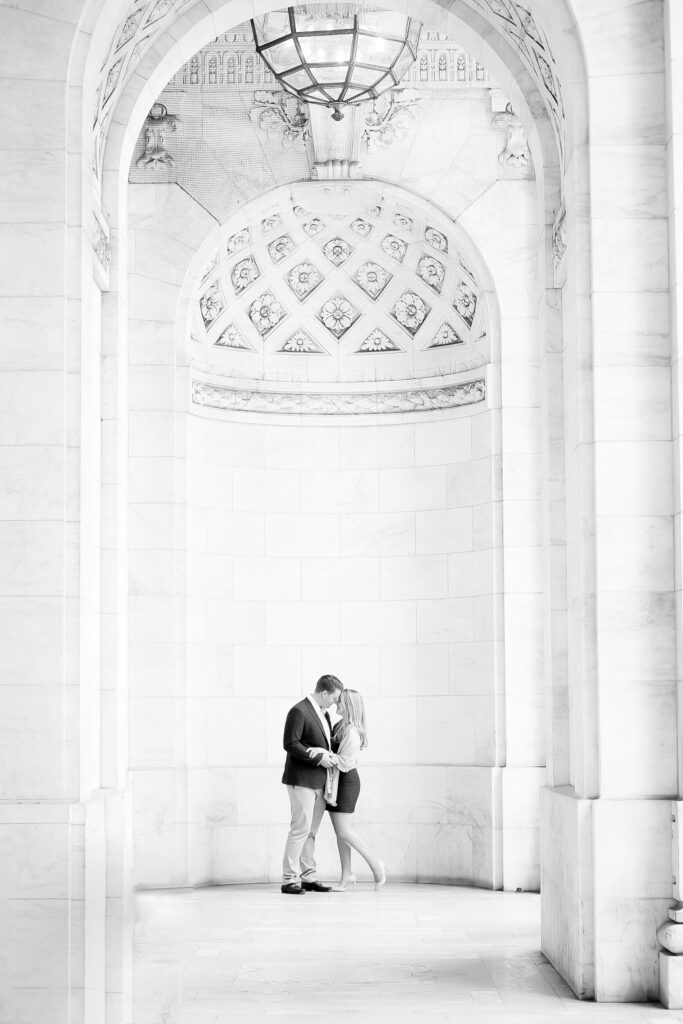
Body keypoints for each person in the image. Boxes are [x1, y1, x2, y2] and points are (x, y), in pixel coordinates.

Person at [307, 689, 387, 892]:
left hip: (347, 782)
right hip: (335, 782)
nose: (336, 704)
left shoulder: (352, 732)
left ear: (349, 705)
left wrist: (322, 753)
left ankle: (376, 866)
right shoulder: (340, 726)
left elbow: (343, 762)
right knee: (340, 833)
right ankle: (346, 875)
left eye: (340, 702)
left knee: (344, 831)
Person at [280, 674, 343, 895]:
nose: (335, 704)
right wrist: (317, 757)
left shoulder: (323, 714)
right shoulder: (299, 711)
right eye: (334, 698)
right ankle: (289, 879)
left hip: (319, 781)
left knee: (311, 831)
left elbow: (322, 743)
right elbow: (290, 744)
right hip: (302, 780)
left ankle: (308, 877)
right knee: (300, 829)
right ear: (324, 693)